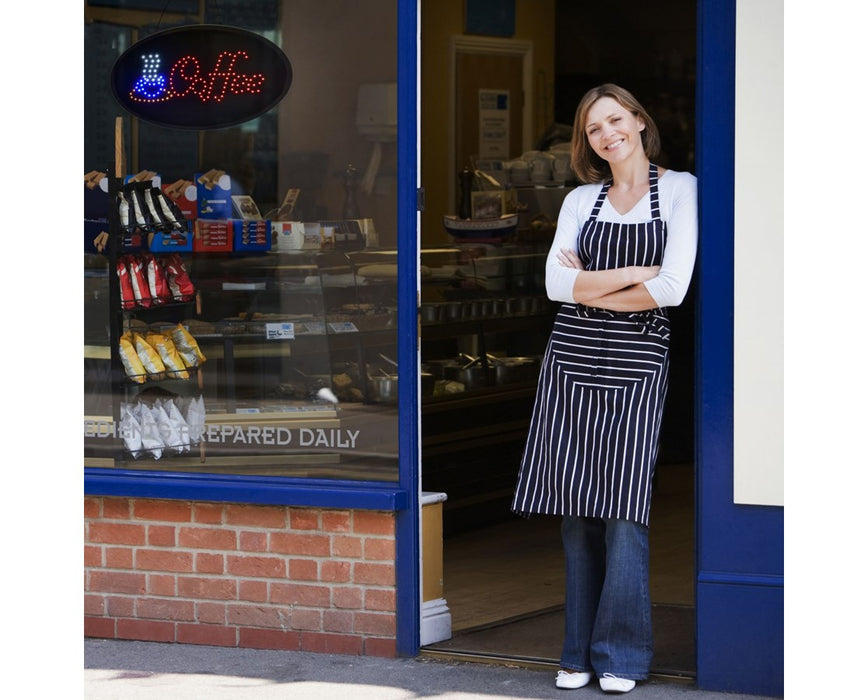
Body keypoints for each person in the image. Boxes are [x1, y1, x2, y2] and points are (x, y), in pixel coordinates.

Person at [510, 84, 697, 694]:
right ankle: (576, 653)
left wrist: (593, 285)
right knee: (574, 511)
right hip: (569, 359)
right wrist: (634, 272)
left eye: (615, 120)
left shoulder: (679, 189)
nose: (607, 134)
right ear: (585, 141)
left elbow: (672, 289)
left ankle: (620, 655)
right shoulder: (579, 200)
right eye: (593, 129)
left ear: (639, 121)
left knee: (622, 511)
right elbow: (554, 286)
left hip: (638, 359)